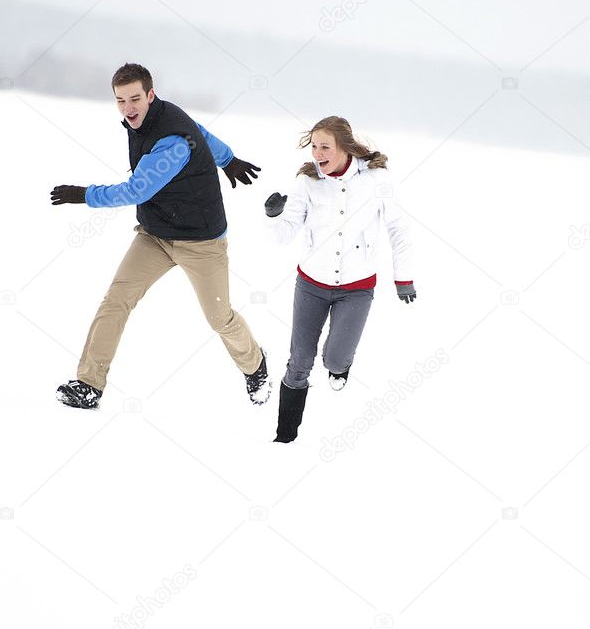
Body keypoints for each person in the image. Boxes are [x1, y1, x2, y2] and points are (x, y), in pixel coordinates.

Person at [49, 63, 269, 409]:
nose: (128, 108)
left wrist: (83, 194)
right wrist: (226, 159)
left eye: (135, 98)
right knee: (116, 300)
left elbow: (137, 190)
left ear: (151, 95)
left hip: (201, 241)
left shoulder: (172, 142)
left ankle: (254, 364)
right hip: (155, 234)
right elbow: (202, 133)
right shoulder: (158, 117)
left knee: (219, 318)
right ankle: (88, 383)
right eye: (120, 100)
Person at [264, 116, 416, 443]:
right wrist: (275, 215)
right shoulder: (306, 182)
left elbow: (398, 228)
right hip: (311, 285)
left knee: (333, 358)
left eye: (325, 147)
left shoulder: (376, 180)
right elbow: (283, 236)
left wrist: (403, 277)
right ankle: (284, 437)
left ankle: (340, 365)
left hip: (357, 289)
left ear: (344, 147)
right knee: (299, 361)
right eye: (314, 146)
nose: (317, 154)